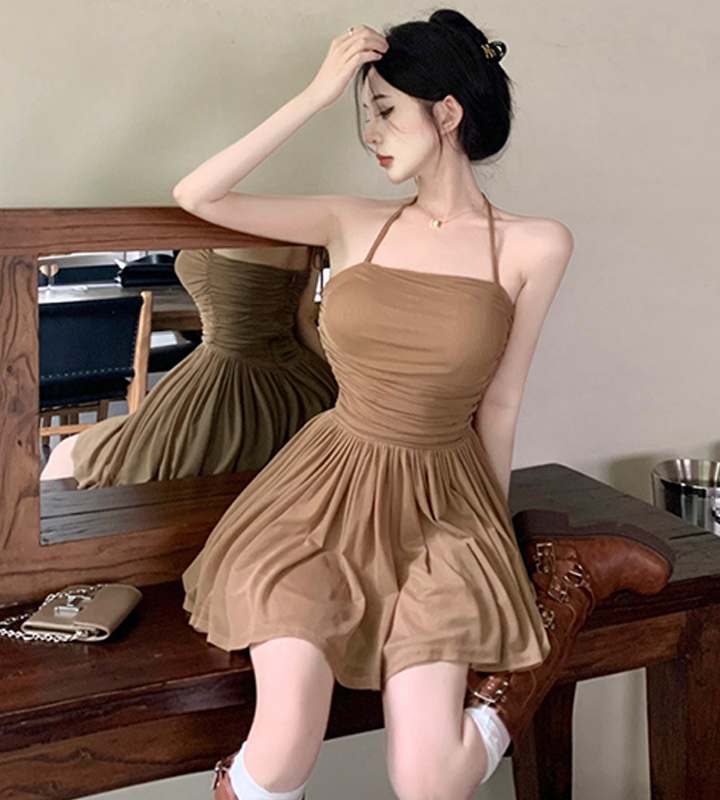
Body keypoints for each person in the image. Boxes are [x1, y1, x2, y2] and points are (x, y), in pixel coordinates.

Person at [174, 11, 673, 800]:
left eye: (383, 110)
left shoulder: (535, 244)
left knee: (428, 777)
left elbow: (501, 403)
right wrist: (317, 92)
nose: (369, 132)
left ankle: (559, 595)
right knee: (283, 741)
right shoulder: (352, 221)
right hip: (321, 495)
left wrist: (494, 544)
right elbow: (196, 194)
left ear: (447, 112)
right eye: (363, 112)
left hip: (444, 500)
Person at [40, 244, 337, 487]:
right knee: (77, 453)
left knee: (68, 456)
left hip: (229, 385)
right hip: (295, 382)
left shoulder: (231, 212)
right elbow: (303, 319)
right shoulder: (303, 229)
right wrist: (337, 385)